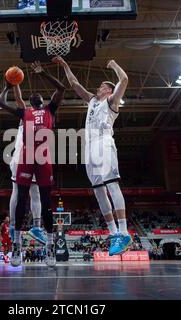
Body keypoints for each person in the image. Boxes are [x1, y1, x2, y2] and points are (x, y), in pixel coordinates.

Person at [53, 56, 131, 256]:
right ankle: (113, 233)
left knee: (112, 184)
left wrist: (113, 64)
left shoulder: (112, 102)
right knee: (98, 190)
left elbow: (124, 80)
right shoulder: (92, 100)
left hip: (104, 142)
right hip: (89, 148)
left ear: (108, 90)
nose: (98, 88)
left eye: (101, 87)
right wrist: (66, 65)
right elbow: (74, 84)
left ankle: (123, 231)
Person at [0, 61, 65, 267]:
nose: (35, 95)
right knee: (20, 200)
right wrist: (8, 86)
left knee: (46, 202)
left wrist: (43, 72)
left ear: (42, 100)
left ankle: (50, 248)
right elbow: (1, 103)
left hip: (43, 158)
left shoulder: (49, 110)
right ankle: (17, 245)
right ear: (30, 101)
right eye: (32, 96)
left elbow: (61, 88)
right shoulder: (24, 113)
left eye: (39, 95)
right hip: (26, 158)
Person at [9, 85, 47, 245]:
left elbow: (19, 100)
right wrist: (17, 84)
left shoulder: (33, 114)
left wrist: (16, 84)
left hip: (24, 157)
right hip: (25, 157)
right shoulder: (31, 114)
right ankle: (35, 227)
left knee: (18, 191)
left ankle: (13, 227)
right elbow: (19, 99)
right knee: (33, 193)